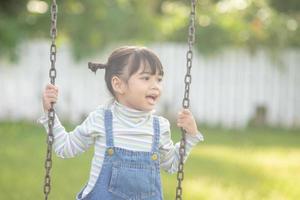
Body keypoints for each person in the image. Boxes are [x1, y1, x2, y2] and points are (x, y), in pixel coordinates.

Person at [38, 46, 204, 200]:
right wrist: (49, 114)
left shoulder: (159, 127)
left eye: (159, 79)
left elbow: (171, 164)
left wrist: (189, 137)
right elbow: (66, 148)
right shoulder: (101, 119)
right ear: (118, 84)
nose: (156, 86)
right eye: (146, 78)